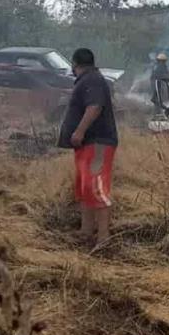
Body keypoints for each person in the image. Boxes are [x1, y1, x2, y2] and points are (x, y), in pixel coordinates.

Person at [58, 48, 118, 248]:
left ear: (75, 65)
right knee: (85, 189)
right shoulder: (89, 80)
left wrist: (80, 131)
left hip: (97, 143)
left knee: (97, 188)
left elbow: (95, 107)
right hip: (87, 144)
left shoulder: (92, 80)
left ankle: (103, 237)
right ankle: (85, 231)